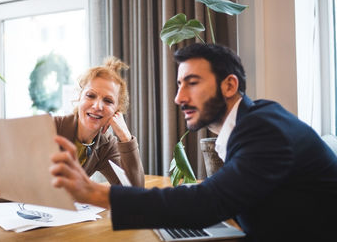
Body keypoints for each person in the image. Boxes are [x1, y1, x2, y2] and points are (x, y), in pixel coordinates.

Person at [49, 43, 337, 242]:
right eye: (179, 85)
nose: (179, 98)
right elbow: (231, 192)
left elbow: (210, 202)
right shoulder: (249, 125)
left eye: (192, 82)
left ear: (229, 85)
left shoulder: (265, 129)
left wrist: (95, 193)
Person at [0, 56, 145, 211]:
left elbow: (134, 194)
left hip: (28, 222)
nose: (97, 106)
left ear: (117, 111)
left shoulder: (105, 145)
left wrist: (126, 138)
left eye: (108, 101)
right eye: (90, 95)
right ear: (79, 98)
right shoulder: (49, 127)